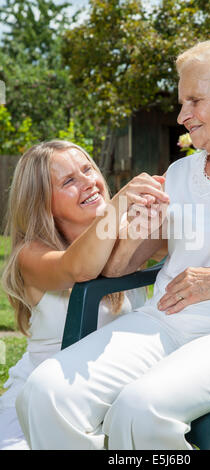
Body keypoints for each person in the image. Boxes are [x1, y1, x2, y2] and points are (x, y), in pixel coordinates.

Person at [16, 40, 210, 450]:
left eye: (194, 101)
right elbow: (116, 270)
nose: (182, 115)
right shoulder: (181, 173)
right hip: (165, 322)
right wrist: (134, 226)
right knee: (47, 394)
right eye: (182, 102)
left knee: (142, 409)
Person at [0, 140, 169, 450]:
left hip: (117, 392)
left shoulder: (128, 230)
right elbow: (79, 268)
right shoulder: (31, 255)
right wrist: (117, 205)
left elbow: (189, 247)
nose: (88, 182)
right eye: (68, 181)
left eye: (88, 169)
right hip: (42, 407)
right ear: (42, 203)